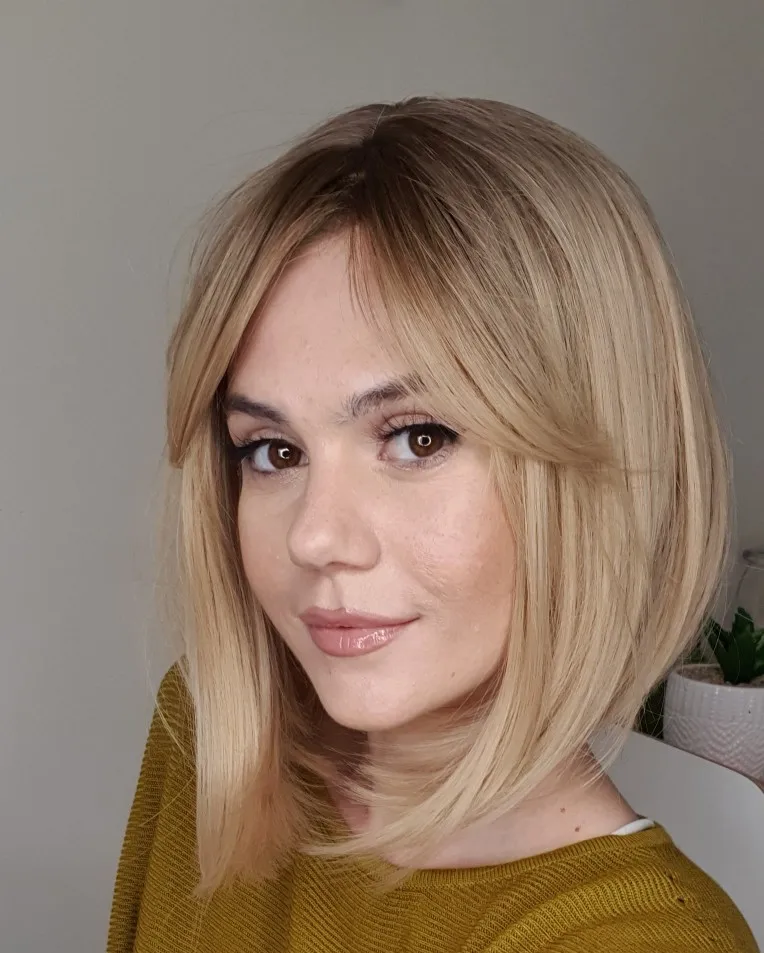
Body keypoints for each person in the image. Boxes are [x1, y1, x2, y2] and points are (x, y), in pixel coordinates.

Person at [106, 97, 758, 952]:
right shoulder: (214, 735)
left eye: (418, 437)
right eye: (272, 450)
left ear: (602, 474)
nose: (314, 537)